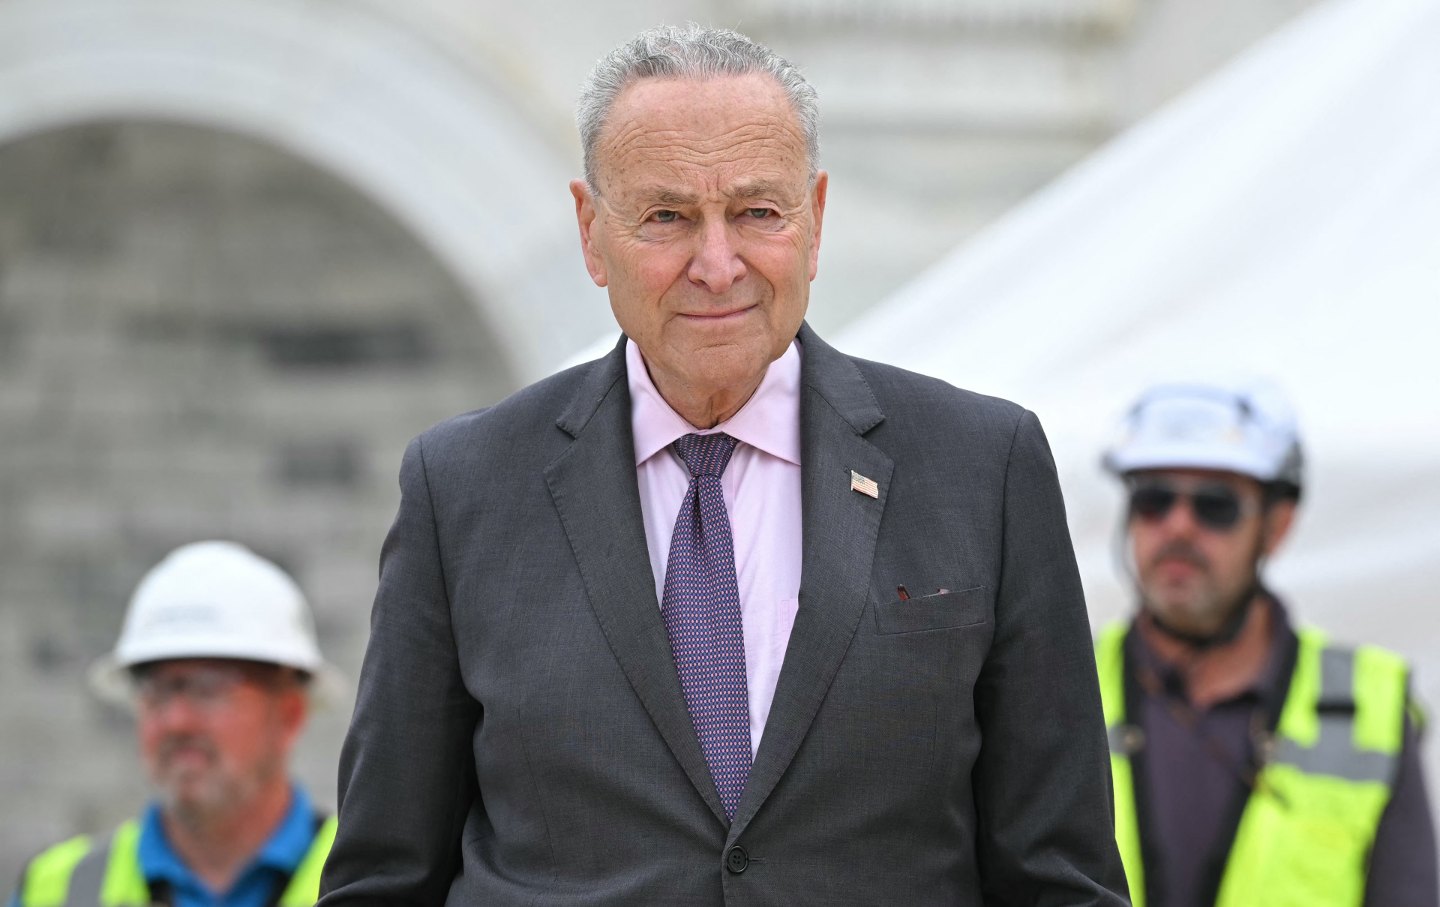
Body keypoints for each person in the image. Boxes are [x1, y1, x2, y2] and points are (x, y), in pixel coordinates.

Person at [319, 23, 1127, 905]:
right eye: (667, 215)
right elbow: (385, 872)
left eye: (757, 212)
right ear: (593, 231)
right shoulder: (464, 485)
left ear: (814, 219)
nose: (716, 263)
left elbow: (1062, 873)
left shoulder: (982, 468)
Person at [1095, 382, 1438, 907]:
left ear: (1276, 527)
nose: (1178, 526)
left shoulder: (1370, 704)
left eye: (1216, 506)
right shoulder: (1058, 682)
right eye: (1153, 500)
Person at [10, 541, 343, 907]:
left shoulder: (375, 880)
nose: (176, 721)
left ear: (289, 713)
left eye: (209, 688)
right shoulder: (57, 890)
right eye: (157, 690)